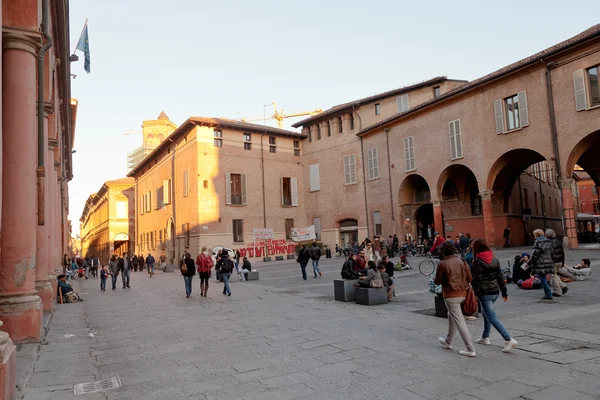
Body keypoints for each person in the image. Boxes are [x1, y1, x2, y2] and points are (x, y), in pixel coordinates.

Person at [470, 239, 518, 352]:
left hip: (484, 292)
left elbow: (478, 280)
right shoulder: (494, 259)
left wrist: (475, 292)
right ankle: (485, 337)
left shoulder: (478, 261)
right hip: (495, 291)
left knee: (491, 317)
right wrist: (504, 293)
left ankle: (508, 339)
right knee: (487, 314)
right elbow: (500, 278)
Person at [434, 241, 476, 357]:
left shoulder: (442, 264)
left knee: (459, 321)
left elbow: (437, 281)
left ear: (443, 252)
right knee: (451, 315)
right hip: (464, 293)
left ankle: (470, 348)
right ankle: (449, 341)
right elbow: (470, 277)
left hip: (451, 295)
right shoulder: (462, 261)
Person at [528, 229, 555, 300]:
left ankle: (548, 294)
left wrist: (529, 263)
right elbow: (553, 253)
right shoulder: (549, 242)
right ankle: (548, 293)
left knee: (542, 278)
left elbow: (534, 255)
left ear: (536, 235)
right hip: (548, 262)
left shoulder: (538, 242)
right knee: (544, 278)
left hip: (540, 263)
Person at [545, 229, 568, 297]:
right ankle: (563, 286)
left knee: (553, 276)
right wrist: (563, 262)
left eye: (545, 234)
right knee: (554, 275)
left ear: (547, 235)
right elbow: (562, 252)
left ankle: (557, 291)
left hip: (554, 262)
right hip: (560, 261)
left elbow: (549, 254)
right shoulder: (558, 241)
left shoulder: (549, 242)